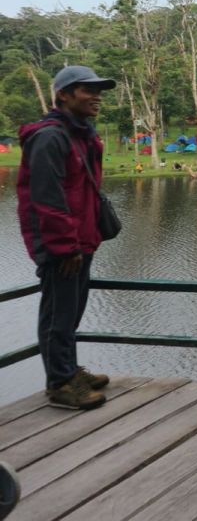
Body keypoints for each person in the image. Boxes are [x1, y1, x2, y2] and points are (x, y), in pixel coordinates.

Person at [17, 65, 117, 411]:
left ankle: (69, 370)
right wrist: (64, 247)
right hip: (62, 245)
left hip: (80, 240)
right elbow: (47, 198)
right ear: (63, 94)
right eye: (87, 90)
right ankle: (60, 383)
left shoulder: (78, 134)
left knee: (71, 311)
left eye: (98, 90)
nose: (96, 97)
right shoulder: (50, 137)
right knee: (58, 314)